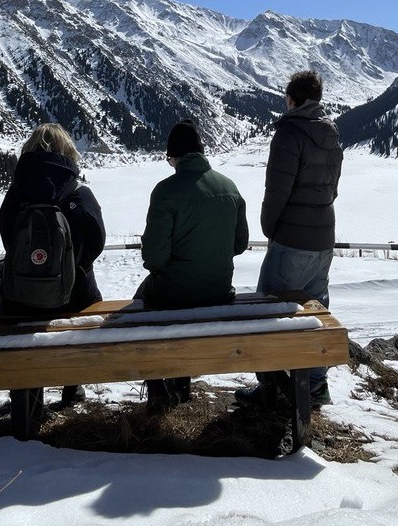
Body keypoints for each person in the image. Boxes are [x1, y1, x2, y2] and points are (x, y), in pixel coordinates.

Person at [236, 70, 344, 408]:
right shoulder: (331, 133)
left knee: (268, 310)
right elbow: (333, 187)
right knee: (314, 311)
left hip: (292, 237)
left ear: (291, 98)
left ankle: (272, 388)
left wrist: (270, 227)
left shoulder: (288, 132)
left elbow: (276, 191)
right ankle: (315, 385)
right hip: (324, 236)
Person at [137, 120, 249, 410]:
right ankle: (182, 385)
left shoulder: (166, 191)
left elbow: (154, 258)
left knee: (140, 304)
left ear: (175, 156)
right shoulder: (229, 187)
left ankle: (159, 388)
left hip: (173, 295)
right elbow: (239, 244)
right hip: (219, 291)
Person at [0, 122, 106, 408]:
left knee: (14, 303)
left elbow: (9, 240)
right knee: (88, 289)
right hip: (73, 300)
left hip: (21, 301)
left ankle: (27, 393)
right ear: (68, 152)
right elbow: (96, 243)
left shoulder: (15, 196)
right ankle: (72, 388)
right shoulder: (79, 194)